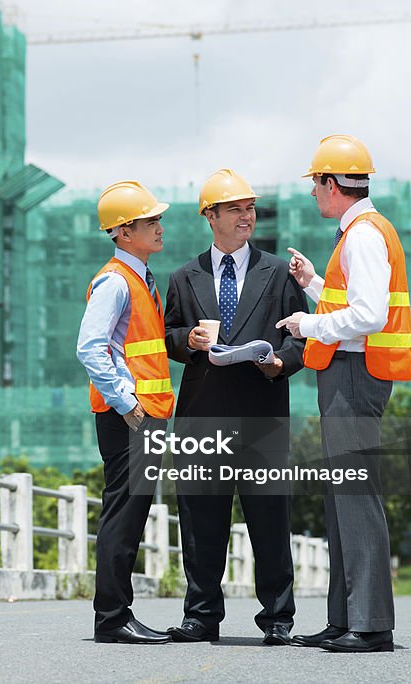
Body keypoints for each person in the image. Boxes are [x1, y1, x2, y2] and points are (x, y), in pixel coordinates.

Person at [277, 134, 411, 653]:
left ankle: (371, 623)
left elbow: (369, 316)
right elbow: (353, 305)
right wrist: (314, 282)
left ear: (333, 185)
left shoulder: (361, 235)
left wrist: (307, 323)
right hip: (351, 371)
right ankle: (345, 619)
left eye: (316, 184)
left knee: (355, 496)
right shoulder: (360, 232)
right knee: (342, 499)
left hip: (355, 375)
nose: (313, 193)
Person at [163, 169, 308, 645]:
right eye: (235, 209)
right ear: (211, 217)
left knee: (269, 519)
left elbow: (297, 340)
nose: (247, 217)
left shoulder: (277, 274)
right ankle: (201, 616)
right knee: (202, 521)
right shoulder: (185, 277)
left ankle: (278, 619)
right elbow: (167, 337)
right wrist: (190, 339)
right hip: (202, 415)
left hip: (262, 412)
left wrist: (277, 363)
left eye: (250, 209)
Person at [77, 180, 175, 644]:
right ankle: (113, 618)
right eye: (149, 221)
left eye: (157, 220)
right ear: (121, 231)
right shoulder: (116, 281)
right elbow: (90, 349)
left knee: (132, 514)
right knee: (122, 514)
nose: (159, 228)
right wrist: (127, 402)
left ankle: (118, 614)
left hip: (145, 415)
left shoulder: (140, 279)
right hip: (129, 418)